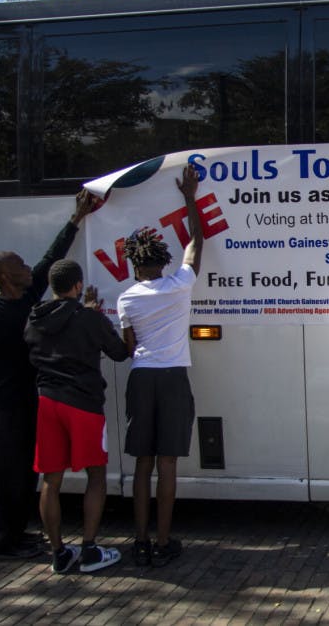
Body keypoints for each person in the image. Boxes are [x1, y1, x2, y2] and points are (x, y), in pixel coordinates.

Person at [0, 189, 97, 561]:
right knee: (4, 474)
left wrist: (75, 220)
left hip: (28, 398)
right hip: (4, 403)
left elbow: (51, 259)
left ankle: (18, 534)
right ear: (6, 275)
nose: (27, 268)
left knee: (25, 471)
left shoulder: (27, 296)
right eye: (20, 265)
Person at [117, 164, 203, 568]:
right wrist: (190, 195)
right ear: (163, 260)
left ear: (135, 265)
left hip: (141, 378)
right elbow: (196, 241)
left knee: (142, 464)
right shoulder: (181, 284)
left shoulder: (126, 299)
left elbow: (129, 347)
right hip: (173, 379)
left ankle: (139, 541)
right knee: (168, 463)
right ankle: (165, 541)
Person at [24, 259, 130, 573]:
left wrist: (81, 312)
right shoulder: (89, 318)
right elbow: (119, 353)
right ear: (78, 286)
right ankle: (89, 550)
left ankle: (59, 554)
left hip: (47, 402)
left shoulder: (34, 318)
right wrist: (93, 315)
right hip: (83, 404)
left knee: (50, 480)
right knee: (96, 475)